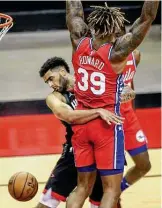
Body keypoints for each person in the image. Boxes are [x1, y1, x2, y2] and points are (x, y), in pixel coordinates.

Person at [66, 1, 159, 208]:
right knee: (111, 190)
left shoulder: (78, 41)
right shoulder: (117, 53)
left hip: (81, 122)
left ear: (93, 26)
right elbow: (146, 18)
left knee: (82, 187)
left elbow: (74, 12)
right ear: (114, 29)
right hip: (106, 124)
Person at [35, 56, 124, 208]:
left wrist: (121, 92)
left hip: (102, 145)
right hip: (74, 151)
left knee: (107, 200)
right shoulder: (54, 98)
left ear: (62, 71)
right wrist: (98, 111)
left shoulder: (89, 82)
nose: (51, 85)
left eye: (51, 79)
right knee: (47, 203)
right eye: (47, 82)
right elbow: (69, 116)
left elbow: (126, 91)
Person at [89, 45, 151, 208]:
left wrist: (132, 109)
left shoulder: (135, 56)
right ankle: (110, 196)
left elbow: (131, 83)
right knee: (109, 176)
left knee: (144, 164)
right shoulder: (102, 60)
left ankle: (118, 190)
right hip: (110, 119)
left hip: (128, 117)